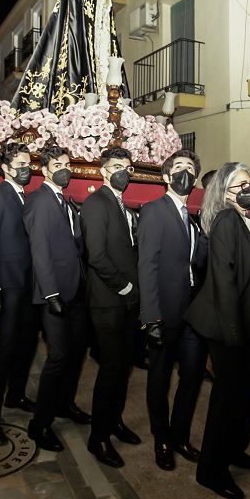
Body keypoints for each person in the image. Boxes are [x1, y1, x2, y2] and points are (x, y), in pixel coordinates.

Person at [185, 162, 250, 499]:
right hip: (223, 323)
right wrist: (234, 332)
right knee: (226, 398)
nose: (248, 189)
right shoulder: (226, 221)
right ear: (224, 192)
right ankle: (211, 471)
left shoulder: (247, 219)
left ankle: (234, 449)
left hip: (245, 319)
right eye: (240, 185)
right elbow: (224, 283)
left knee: (244, 392)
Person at [138, 150, 209, 471]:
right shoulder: (154, 211)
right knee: (160, 377)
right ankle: (162, 437)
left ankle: (180, 435)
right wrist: (150, 315)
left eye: (190, 169)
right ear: (167, 177)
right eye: (179, 168)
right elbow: (147, 266)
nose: (185, 173)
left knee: (192, 376)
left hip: (193, 312)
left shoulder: (195, 215)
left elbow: (198, 262)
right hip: (164, 311)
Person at [23, 146, 92, 451]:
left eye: (67, 164)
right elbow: (39, 250)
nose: (65, 169)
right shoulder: (39, 200)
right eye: (58, 164)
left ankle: (65, 403)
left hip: (75, 289)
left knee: (77, 352)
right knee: (58, 357)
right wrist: (50, 293)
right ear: (45, 169)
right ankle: (39, 424)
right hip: (55, 294)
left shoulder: (64, 201)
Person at [80, 146, 142, 468]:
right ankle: (98, 437)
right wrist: (127, 287)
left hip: (128, 301)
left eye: (128, 167)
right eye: (118, 165)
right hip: (107, 302)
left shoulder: (122, 205)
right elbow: (97, 256)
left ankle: (114, 422)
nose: (124, 171)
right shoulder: (95, 204)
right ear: (103, 170)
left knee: (123, 368)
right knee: (110, 370)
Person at [0, 143, 37, 444]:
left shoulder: (23, 195)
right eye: (21, 164)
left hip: (26, 284)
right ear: (6, 168)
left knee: (26, 345)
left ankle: (16, 396)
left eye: (29, 163)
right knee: (5, 350)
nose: (27, 168)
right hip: (8, 285)